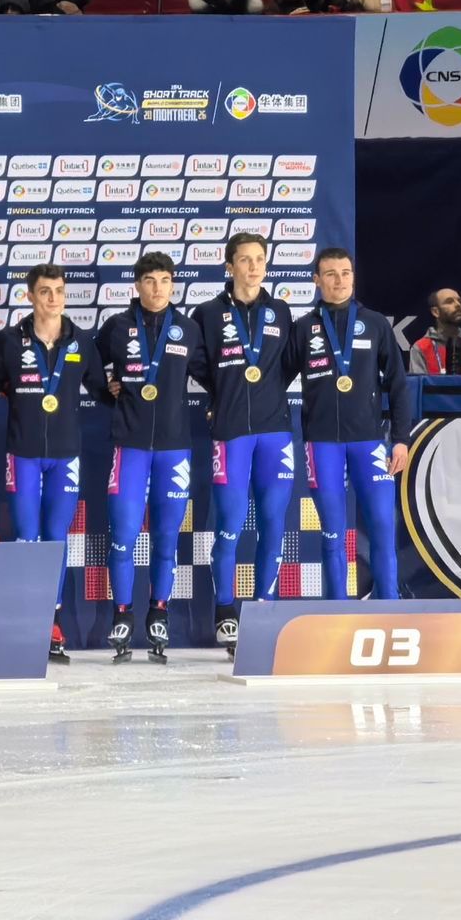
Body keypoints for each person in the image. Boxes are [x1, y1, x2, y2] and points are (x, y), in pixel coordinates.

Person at [0, 264, 101, 659]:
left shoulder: (81, 340)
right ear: (30, 296)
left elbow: (102, 389)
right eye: (45, 291)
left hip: (66, 456)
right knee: (25, 536)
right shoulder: (8, 341)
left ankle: (52, 619)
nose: (53, 298)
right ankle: (24, 618)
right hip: (23, 454)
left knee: (55, 537)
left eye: (59, 291)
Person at [282, 248, 412, 599]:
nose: (339, 280)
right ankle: (337, 611)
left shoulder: (375, 323)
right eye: (330, 274)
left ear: (353, 277)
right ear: (316, 280)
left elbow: (398, 384)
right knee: (332, 534)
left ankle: (389, 607)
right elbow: (274, 381)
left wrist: (401, 439)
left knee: (383, 528)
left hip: (369, 442)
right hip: (321, 444)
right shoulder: (304, 328)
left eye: (345, 273)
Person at [188, 234, 295, 632]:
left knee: (273, 524)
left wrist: (267, 391)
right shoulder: (207, 313)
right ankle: (225, 613)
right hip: (231, 431)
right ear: (229, 266)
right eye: (245, 260)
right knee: (229, 525)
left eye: (259, 259)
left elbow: (288, 363)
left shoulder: (280, 311)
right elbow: (196, 363)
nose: (253, 267)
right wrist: (223, 392)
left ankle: (264, 609)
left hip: (275, 431)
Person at [96, 252, 196, 661]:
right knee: (123, 536)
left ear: (173, 285)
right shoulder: (117, 327)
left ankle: (159, 613)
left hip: (175, 448)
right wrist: (108, 392)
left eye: (165, 281)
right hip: (130, 447)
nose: (158, 289)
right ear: (137, 285)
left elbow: (213, 374)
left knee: (166, 538)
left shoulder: (188, 329)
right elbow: (89, 368)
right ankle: (122, 614)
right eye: (150, 281)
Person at [409, 288, 461, 374]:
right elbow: (418, 382)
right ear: (435, 312)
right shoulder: (421, 347)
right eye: (449, 302)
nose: (458, 305)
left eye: (459, 301)